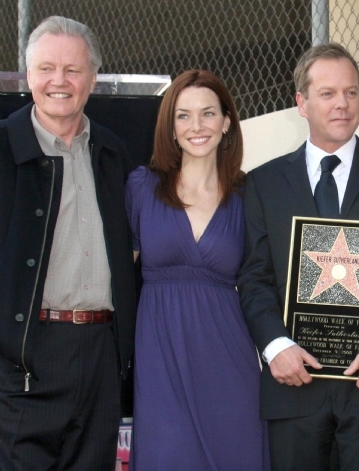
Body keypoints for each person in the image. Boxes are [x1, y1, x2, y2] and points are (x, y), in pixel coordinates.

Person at [237, 43, 359, 471]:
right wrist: (275, 347)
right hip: (294, 382)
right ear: (301, 103)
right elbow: (253, 278)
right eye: (328, 93)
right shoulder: (263, 183)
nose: (342, 104)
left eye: (352, 92)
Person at [0, 16, 136, 470]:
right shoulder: (3, 149)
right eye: (45, 68)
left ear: (93, 78)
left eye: (72, 70)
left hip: (101, 356)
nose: (59, 81)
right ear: (28, 75)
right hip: (24, 359)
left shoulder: (114, 154)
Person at [125, 69, 270, 470]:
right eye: (183, 116)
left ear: (226, 122)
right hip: (160, 362)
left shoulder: (249, 196)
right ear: (170, 128)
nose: (197, 126)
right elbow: (121, 278)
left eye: (208, 113)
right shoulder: (142, 187)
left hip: (229, 363)